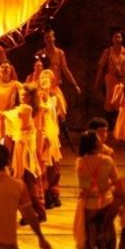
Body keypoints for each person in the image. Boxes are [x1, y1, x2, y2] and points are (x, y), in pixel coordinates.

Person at [73, 131, 120, 249]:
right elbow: (116, 182)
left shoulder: (80, 162)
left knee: (87, 243)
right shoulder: (107, 161)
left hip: (88, 206)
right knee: (105, 242)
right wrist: (106, 189)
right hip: (105, 205)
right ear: (95, 144)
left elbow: (83, 186)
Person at [2, 84, 47, 222]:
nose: (22, 97)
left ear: (30, 97)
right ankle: (28, 213)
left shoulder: (29, 110)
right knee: (20, 183)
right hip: (20, 149)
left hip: (27, 151)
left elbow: (30, 131)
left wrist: (38, 152)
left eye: (25, 95)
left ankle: (39, 212)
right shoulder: (19, 111)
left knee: (27, 183)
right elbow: (13, 132)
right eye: (20, 95)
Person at [38, 70, 67, 209]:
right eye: (41, 77)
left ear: (52, 81)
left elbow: (57, 116)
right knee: (43, 165)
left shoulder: (54, 97)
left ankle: (53, 193)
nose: (43, 79)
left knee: (53, 166)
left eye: (46, 77)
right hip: (42, 133)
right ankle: (44, 194)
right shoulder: (37, 97)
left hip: (52, 133)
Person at [95, 27, 125, 121]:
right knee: (109, 101)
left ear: (122, 39)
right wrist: (97, 82)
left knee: (121, 101)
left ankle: (119, 123)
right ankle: (109, 123)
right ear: (112, 39)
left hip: (123, 79)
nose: (117, 39)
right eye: (115, 37)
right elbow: (101, 68)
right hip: (111, 78)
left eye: (119, 37)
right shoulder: (107, 52)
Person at [35, 29, 81, 94]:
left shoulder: (60, 53)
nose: (48, 39)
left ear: (53, 38)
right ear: (44, 40)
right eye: (46, 38)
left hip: (55, 86)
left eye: (49, 37)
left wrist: (74, 85)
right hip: (43, 87)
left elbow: (65, 70)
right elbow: (37, 71)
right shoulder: (40, 53)